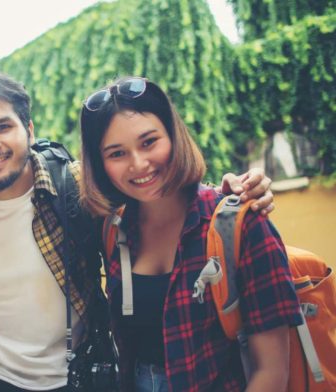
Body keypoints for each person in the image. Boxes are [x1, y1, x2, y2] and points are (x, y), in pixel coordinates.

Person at [0, 69, 276, 392]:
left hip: (80, 376)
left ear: (29, 129)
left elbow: (156, 191)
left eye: (2, 127)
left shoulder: (78, 187)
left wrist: (230, 192)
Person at [78, 77, 302, 391]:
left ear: (173, 135)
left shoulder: (240, 224)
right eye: (117, 154)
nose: (139, 164)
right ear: (100, 164)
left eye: (149, 142)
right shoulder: (112, 230)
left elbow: (271, 372)